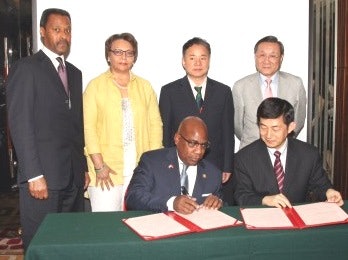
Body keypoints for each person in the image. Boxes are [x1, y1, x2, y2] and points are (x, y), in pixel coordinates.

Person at [6, 8, 89, 250]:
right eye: (56, 29)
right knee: (41, 245)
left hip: (72, 179)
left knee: (69, 244)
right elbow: (20, 125)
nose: (63, 35)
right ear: (42, 32)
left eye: (67, 30)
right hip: (42, 180)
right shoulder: (27, 68)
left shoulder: (74, 73)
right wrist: (33, 175)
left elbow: (75, 127)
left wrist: (81, 167)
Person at [83, 32, 163, 212]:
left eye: (129, 53)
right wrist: (99, 165)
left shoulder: (145, 86)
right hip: (106, 171)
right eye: (118, 52)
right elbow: (89, 128)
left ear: (135, 57)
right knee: (108, 227)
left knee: (139, 223)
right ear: (108, 55)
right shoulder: (95, 86)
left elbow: (155, 126)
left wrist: (153, 166)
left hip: (140, 170)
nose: (124, 57)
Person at [159, 37, 235, 205]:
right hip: (180, 162)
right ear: (183, 62)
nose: (198, 63)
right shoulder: (169, 91)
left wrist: (227, 165)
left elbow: (228, 132)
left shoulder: (223, 91)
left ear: (209, 60)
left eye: (203, 57)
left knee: (209, 210)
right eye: (192, 58)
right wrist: (168, 165)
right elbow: (166, 133)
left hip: (213, 163)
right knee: (184, 207)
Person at [233, 97, 344, 208]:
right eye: (263, 127)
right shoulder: (244, 157)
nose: (268, 135)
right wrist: (264, 200)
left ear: (290, 127)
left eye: (275, 128)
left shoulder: (308, 154)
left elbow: (321, 185)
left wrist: (329, 192)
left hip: (298, 218)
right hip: (262, 220)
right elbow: (241, 196)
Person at [125, 116, 223, 214]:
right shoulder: (152, 162)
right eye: (193, 143)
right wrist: (171, 203)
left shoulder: (213, 174)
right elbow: (133, 197)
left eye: (203, 145)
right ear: (177, 139)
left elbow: (221, 205)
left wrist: (217, 202)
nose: (199, 151)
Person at [233, 35, 307, 149]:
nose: (266, 60)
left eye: (272, 56)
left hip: (284, 151)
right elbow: (238, 127)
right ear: (255, 57)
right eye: (262, 55)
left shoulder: (295, 84)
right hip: (251, 151)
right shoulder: (241, 86)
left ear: (281, 58)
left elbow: (298, 121)